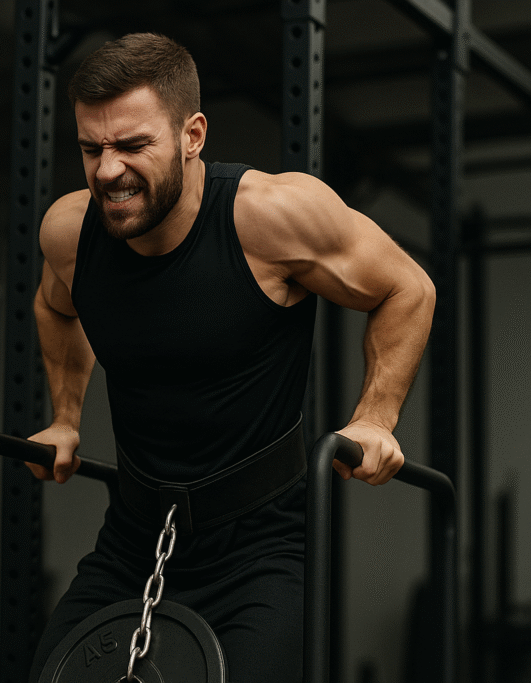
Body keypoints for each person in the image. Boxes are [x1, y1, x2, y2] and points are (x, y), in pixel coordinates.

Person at [23, 32, 436, 683]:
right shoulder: (70, 231)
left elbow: (407, 287)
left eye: (133, 145)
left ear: (192, 134)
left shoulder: (270, 217)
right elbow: (54, 305)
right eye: (91, 148)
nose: (107, 170)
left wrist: (375, 418)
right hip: (132, 537)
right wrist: (66, 418)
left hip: (262, 546)